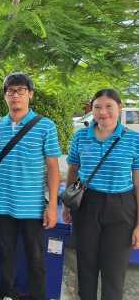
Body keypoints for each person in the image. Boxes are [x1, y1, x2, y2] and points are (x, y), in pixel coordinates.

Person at [0, 73, 61, 300]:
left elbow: (52, 167)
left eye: (20, 90)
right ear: (5, 96)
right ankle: (8, 294)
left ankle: (38, 296)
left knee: (36, 257)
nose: (15, 95)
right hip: (2, 203)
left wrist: (52, 205)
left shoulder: (46, 126)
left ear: (30, 93)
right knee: (5, 254)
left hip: (33, 205)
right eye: (10, 91)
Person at [62, 89, 139, 300]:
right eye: (97, 107)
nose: (102, 112)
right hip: (87, 204)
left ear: (119, 108)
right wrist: (68, 204)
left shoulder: (134, 140)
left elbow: (138, 183)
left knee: (114, 271)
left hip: (122, 208)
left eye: (108, 106)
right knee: (86, 265)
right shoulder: (80, 137)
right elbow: (72, 170)